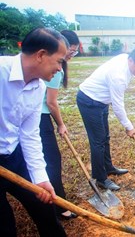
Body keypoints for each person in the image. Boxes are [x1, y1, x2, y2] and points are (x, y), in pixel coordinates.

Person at [0, 27, 67, 237]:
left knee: (44, 207)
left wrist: (40, 177)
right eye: (59, 61)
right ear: (40, 55)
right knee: (4, 226)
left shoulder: (38, 88)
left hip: (13, 154)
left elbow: (29, 135)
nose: (60, 68)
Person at [76, 47, 135, 191]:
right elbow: (118, 106)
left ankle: (108, 167)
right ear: (130, 60)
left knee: (105, 137)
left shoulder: (125, 59)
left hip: (102, 101)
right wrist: (128, 126)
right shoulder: (119, 77)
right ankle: (100, 178)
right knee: (98, 141)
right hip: (89, 101)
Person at [40, 30, 80, 220]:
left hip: (37, 116)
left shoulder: (53, 65)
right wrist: (61, 124)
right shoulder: (57, 69)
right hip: (39, 118)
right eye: (70, 52)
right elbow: (51, 102)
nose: (70, 56)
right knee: (52, 161)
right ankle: (59, 205)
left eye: (73, 52)